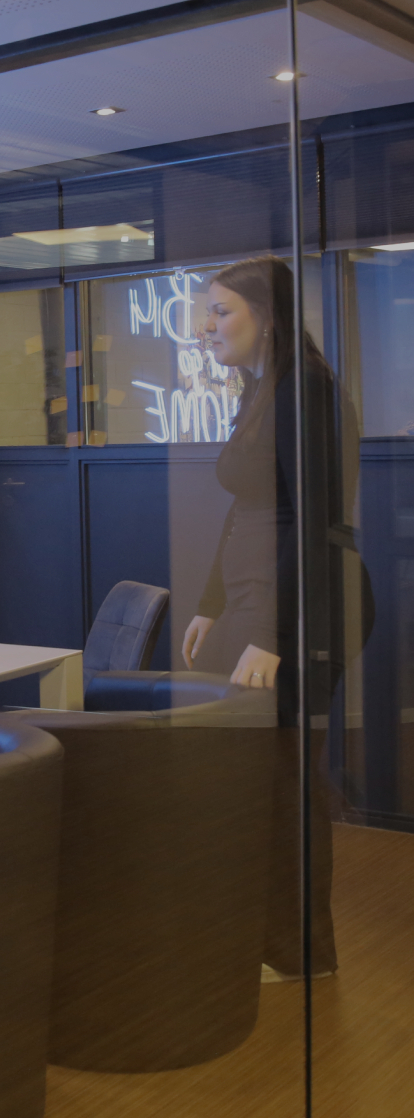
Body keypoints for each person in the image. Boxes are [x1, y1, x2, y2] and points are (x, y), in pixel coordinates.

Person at [181, 255, 367, 980]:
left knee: (285, 785)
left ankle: (300, 955)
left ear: (269, 317)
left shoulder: (305, 392)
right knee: (260, 782)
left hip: (290, 610)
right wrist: (210, 602)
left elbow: (313, 526)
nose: (206, 326)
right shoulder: (267, 390)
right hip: (258, 600)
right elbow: (250, 506)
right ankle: (267, 939)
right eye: (207, 312)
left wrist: (269, 635)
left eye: (221, 311)